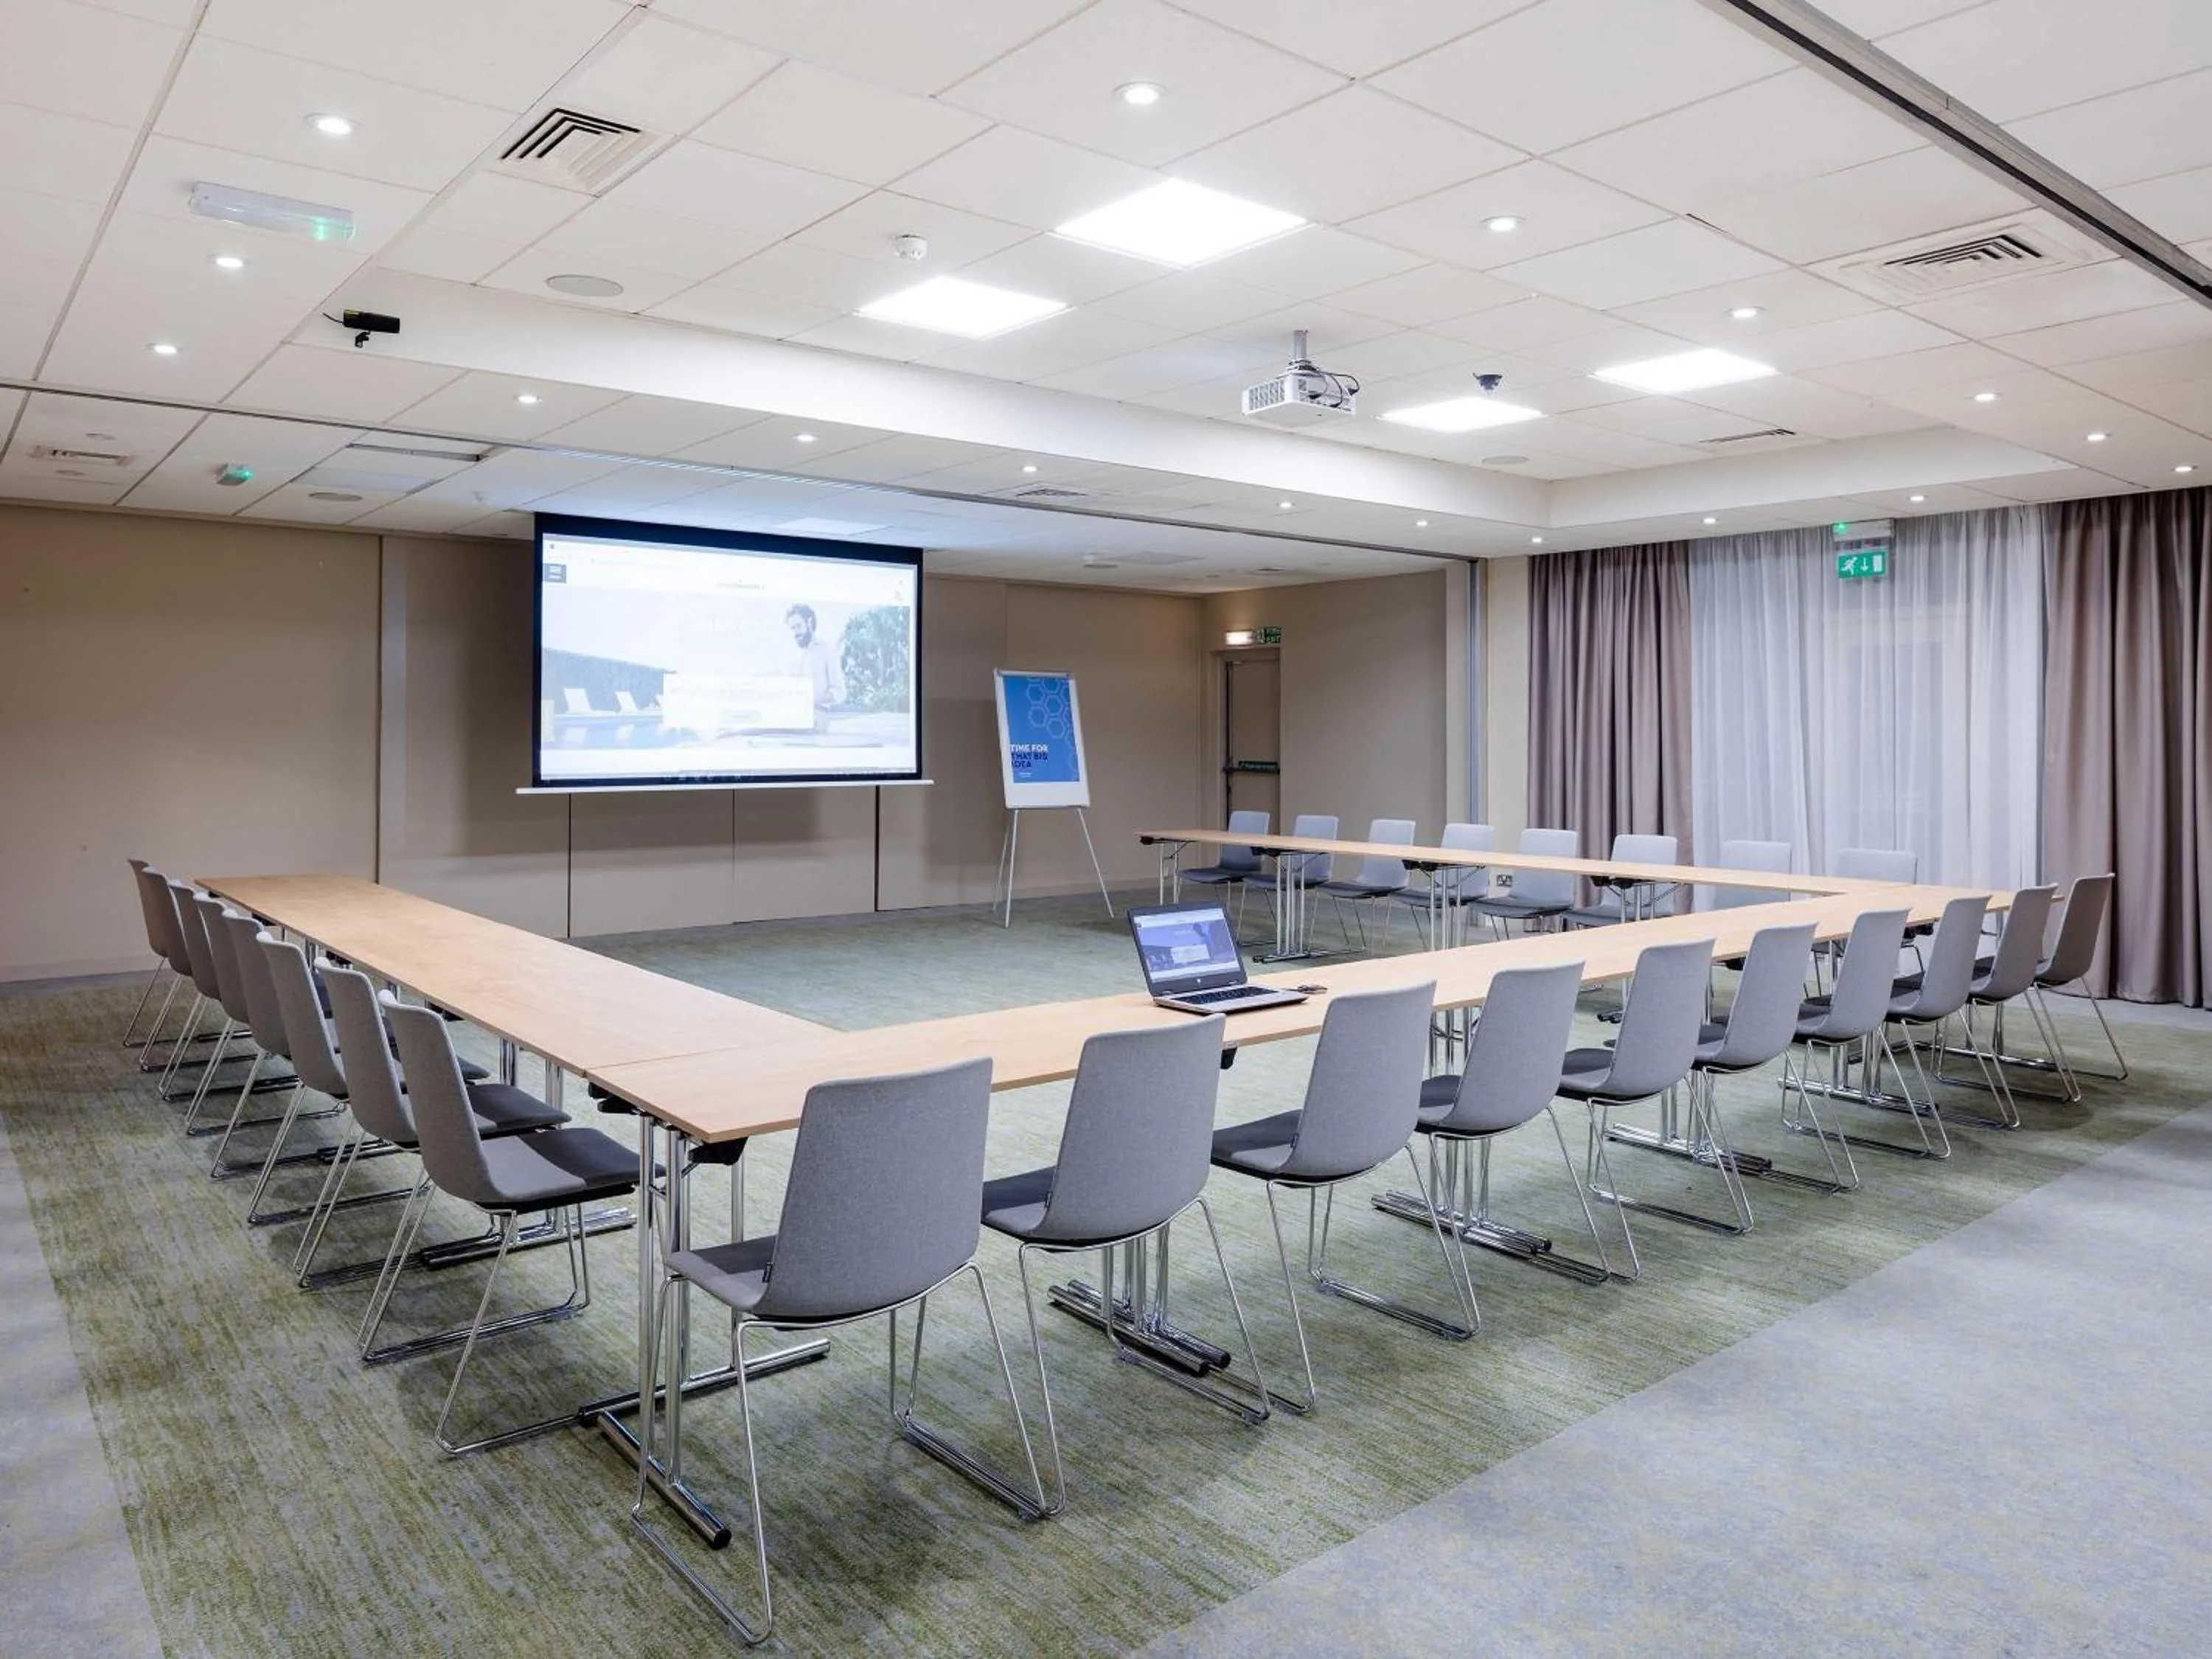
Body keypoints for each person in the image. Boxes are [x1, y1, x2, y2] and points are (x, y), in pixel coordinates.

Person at [785, 604, 846, 725]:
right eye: (793, 628)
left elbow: (840, 693)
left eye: (798, 626)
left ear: (810, 623)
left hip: (817, 716)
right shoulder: (796, 656)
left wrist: (809, 698)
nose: (796, 633)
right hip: (793, 714)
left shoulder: (827, 651)